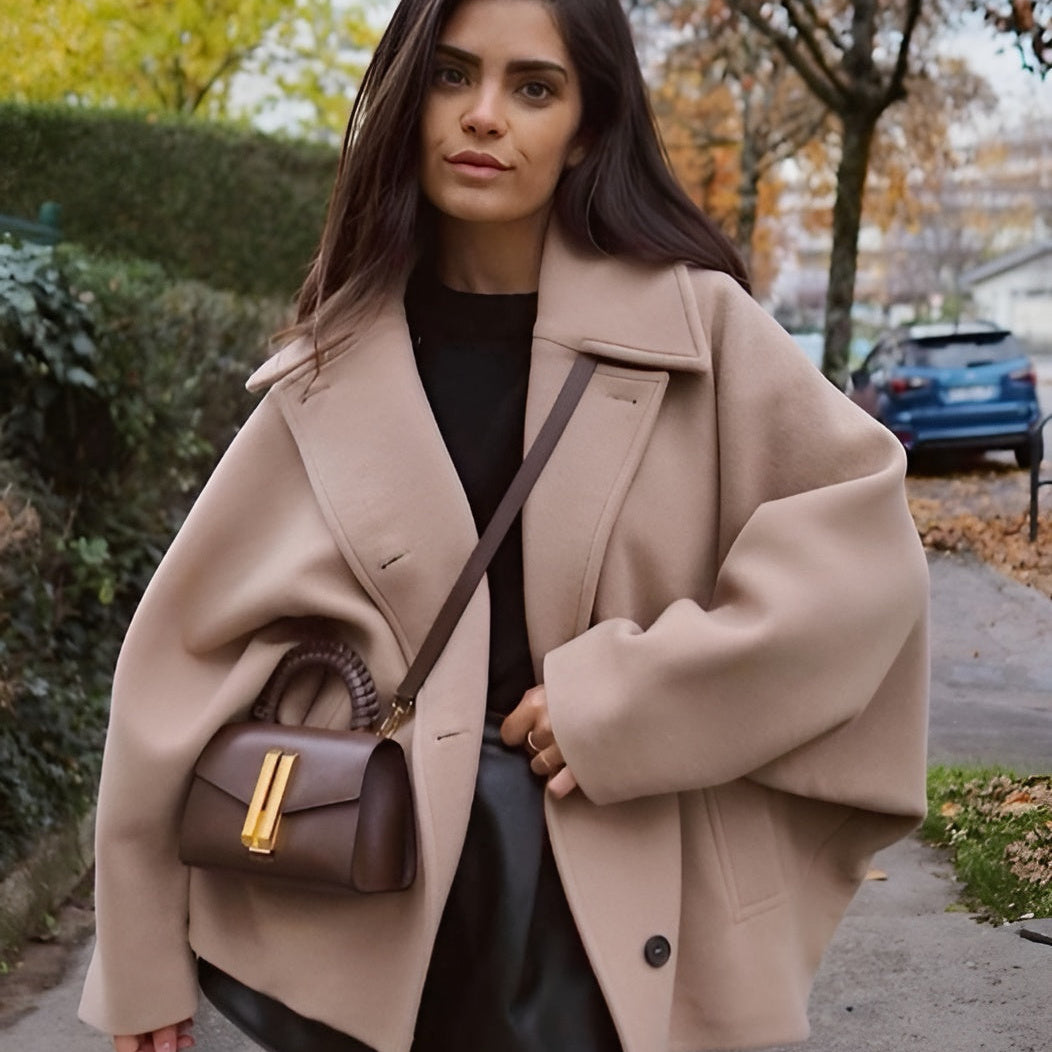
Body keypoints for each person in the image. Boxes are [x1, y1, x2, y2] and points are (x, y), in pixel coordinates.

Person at [78, 0, 930, 1049]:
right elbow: (173, 662)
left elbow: (861, 570)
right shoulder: (326, 372)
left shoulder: (694, 330)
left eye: (533, 87)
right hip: (367, 903)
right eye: (450, 74)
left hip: (611, 902)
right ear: (404, 95)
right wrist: (142, 963)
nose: (483, 115)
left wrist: (631, 702)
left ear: (584, 128)